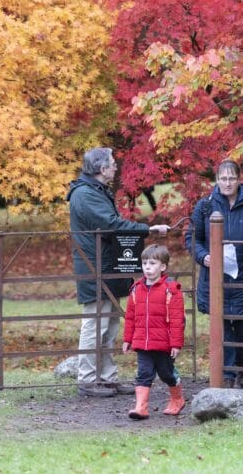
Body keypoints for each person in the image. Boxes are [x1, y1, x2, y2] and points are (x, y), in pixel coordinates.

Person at [68, 147, 170, 398]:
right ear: (102, 169)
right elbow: (110, 224)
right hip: (95, 266)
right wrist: (146, 229)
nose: (116, 166)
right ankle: (88, 379)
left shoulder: (96, 191)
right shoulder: (85, 194)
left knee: (110, 324)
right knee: (95, 323)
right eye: (112, 163)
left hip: (106, 263)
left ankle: (106, 377)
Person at [186, 159, 243, 388]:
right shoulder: (205, 205)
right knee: (223, 327)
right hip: (216, 279)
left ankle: (241, 365)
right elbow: (192, 238)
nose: (227, 183)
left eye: (232, 178)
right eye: (223, 178)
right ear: (217, 180)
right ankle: (227, 375)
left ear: (239, 179)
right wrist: (203, 256)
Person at [121, 244, 186, 419]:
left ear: (163, 267)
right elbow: (130, 317)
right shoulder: (136, 289)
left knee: (166, 374)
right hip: (142, 342)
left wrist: (176, 343)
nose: (147, 268)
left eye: (152, 263)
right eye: (144, 263)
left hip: (163, 343)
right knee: (144, 373)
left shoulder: (171, 290)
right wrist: (127, 339)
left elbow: (177, 319)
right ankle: (140, 407)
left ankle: (177, 399)